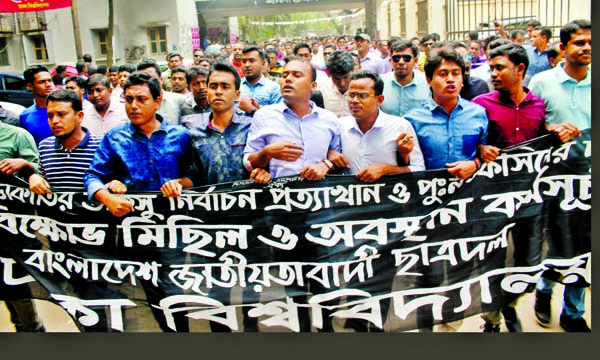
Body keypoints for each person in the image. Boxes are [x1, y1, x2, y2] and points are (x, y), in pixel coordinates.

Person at [471, 42, 579, 332]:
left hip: (530, 200)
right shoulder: (481, 105)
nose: (492, 73)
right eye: (491, 67)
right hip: (492, 200)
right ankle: (492, 319)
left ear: (520, 69)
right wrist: (481, 148)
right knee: (492, 261)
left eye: (499, 68)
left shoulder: (538, 106)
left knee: (528, 264)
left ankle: (510, 304)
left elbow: (545, 137)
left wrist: (554, 131)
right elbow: (472, 144)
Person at [83, 71, 195, 332]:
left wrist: (179, 183)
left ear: (158, 100)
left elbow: (194, 175)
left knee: (172, 294)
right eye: (128, 99)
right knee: (139, 296)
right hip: (131, 234)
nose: (133, 106)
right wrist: (106, 194)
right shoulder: (114, 138)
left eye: (141, 99)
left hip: (172, 232)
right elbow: (93, 176)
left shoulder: (180, 136)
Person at [243, 56, 341, 332]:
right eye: (285, 74)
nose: (287, 79)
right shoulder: (264, 117)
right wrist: (266, 154)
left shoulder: (330, 120)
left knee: (323, 277)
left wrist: (326, 164)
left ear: (311, 84)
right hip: (281, 214)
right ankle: (302, 329)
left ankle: (327, 329)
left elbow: (338, 157)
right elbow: (248, 160)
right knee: (293, 279)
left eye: (296, 75)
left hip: (320, 213)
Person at [528, 19, 591, 332]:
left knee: (584, 245)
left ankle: (574, 312)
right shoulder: (542, 82)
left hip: (589, 178)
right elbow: (531, 127)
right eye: (579, 42)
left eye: (591, 42)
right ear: (563, 48)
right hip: (553, 178)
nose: (586, 48)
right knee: (556, 242)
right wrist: (550, 130)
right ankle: (544, 291)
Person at [405, 47, 487, 179]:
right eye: (443, 74)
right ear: (429, 81)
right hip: (427, 193)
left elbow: (486, 155)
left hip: (467, 193)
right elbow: (408, 163)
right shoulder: (412, 119)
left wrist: (475, 164)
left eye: (455, 74)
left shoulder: (478, 114)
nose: (450, 79)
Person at [0, 117, 44, 333]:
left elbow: (40, 174)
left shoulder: (18, 136)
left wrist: (25, 166)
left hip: (14, 229)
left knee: (16, 284)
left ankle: (33, 330)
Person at [380, 40, 430, 117]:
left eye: (406, 58)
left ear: (415, 60)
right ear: (391, 60)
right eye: (396, 58)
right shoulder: (381, 82)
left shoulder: (427, 83)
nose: (401, 62)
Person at [136, 59, 186, 125]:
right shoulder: (135, 105)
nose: (147, 83)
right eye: (142, 80)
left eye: (151, 78)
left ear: (161, 79)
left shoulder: (180, 100)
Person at [237, 46, 282, 117]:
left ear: (263, 63)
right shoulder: (235, 86)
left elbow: (278, 118)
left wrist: (252, 110)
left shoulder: (274, 88)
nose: (247, 65)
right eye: (244, 61)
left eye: (252, 61)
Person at [20, 65, 56, 145]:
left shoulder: (66, 109)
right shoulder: (25, 115)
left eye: (50, 80)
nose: (48, 85)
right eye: (42, 82)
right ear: (30, 86)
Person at [317, 50, 354, 117]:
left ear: (352, 71)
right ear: (330, 75)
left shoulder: (362, 88)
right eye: (337, 79)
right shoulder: (322, 88)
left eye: (346, 77)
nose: (342, 83)